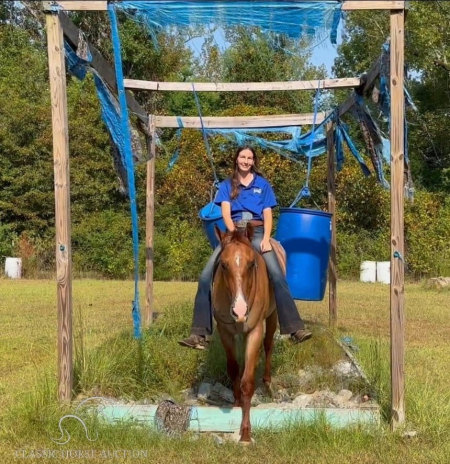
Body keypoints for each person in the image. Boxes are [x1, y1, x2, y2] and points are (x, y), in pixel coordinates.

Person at [179, 145, 312, 350]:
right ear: (236, 159)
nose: (246, 161)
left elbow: (268, 214)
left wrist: (267, 238)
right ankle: (199, 333)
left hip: (257, 233)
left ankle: (294, 328)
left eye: (250, 158)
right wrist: (233, 235)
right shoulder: (226, 185)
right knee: (205, 276)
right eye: (243, 157)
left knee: (277, 274)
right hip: (233, 234)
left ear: (253, 161)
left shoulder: (263, 185)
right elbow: (225, 213)